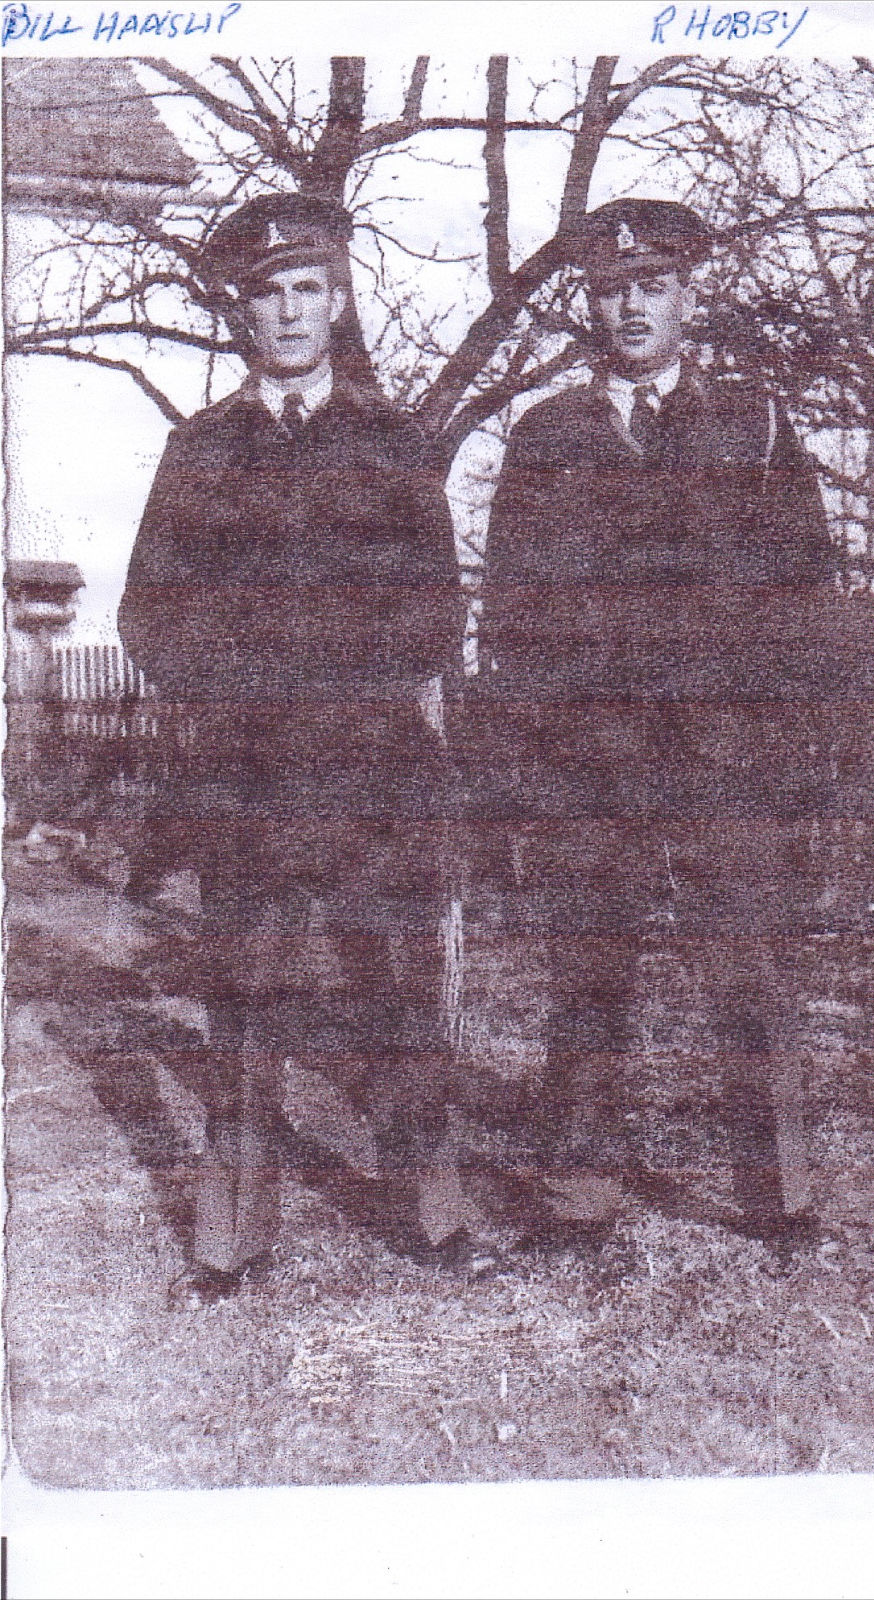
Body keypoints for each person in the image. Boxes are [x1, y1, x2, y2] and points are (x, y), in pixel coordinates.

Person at [119, 191, 490, 1297]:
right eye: (268, 294)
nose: (287, 312)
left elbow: (436, 609)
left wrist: (347, 700)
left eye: (306, 290)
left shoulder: (393, 442)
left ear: (336, 302)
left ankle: (435, 1219)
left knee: (399, 1004)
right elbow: (148, 612)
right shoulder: (200, 449)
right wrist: (241, 695)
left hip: (375, 777)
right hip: (245, 783)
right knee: (243, 1007)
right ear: (243, 313)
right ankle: (229, 1242)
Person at [474, 197, 836, 1239]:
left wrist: (790, 756)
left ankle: (779, 1200)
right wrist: (527, 770)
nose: (630, 307)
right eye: (611, 290)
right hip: (589, 767)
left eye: (652, 287)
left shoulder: (754, 426)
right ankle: (577, 1196)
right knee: (588, 978)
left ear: (688, 295)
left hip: (727, 764)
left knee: (750, 977)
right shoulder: (547, 435)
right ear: (588, 305)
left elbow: (805, 599)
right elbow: (511, 614)